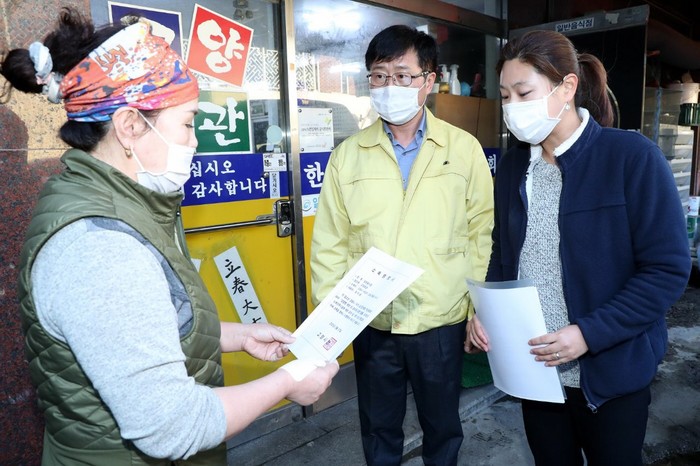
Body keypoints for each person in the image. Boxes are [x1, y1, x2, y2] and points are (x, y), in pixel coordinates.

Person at [4, 9, 338, 465]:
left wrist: (237, 335)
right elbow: (172, 427)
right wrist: (288, 382)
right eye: (187, 123)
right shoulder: (99, 246)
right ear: (130, 126)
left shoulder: (120, 208)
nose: (194, 140)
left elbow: (141, 330)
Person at [465, 30, 691, 466]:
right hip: (536, 374)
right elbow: (504, 251)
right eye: (505, 96)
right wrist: (487, 310)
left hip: (611, 376)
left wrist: (589, 334)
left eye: (524, 93)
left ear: (567, 87)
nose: (512, 107)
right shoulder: (513, 167)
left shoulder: (630, 157)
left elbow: (666, 270)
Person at [310, 25, 494, 466]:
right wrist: (330, 324)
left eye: (402, 75)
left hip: (440, 318)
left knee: (443, 427)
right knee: (378, 429)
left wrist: (477, 308)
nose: (388, 85)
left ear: (429, 80)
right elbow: (330, 242)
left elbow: (481, 233)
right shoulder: (348, 155)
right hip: (373, 320)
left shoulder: (463, 149)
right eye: (379, 75)